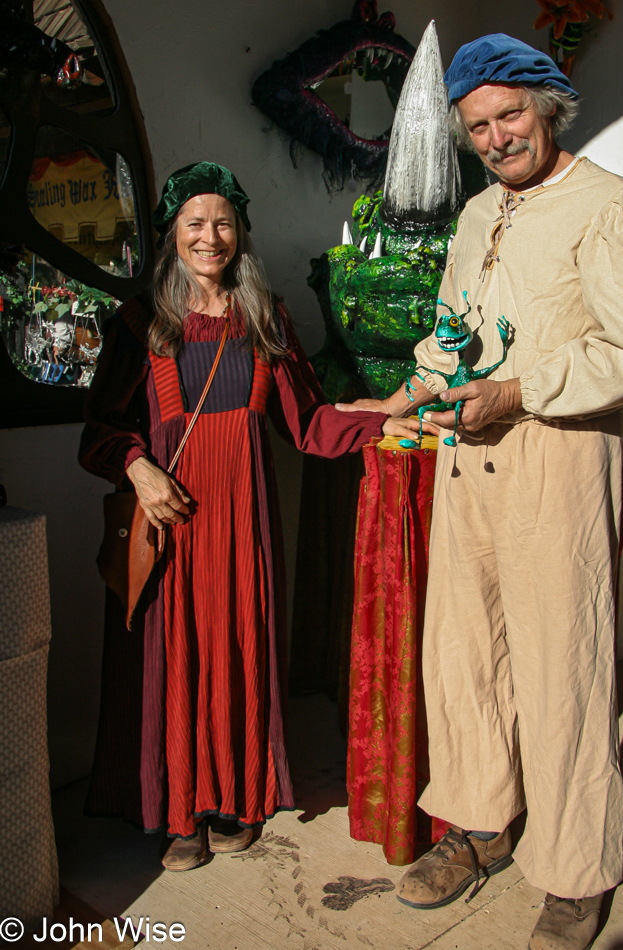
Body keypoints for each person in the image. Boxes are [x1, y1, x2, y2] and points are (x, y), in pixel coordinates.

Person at [337, 34, 623, 950]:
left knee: (561, 663)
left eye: (509, 116)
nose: (494, 138)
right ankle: (480, 826)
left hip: (556, 460)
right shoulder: (480, 213)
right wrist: (399, 397)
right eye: (477, 126)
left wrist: (518, 391)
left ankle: (575, 869)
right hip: (465, 460)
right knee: (464, 653)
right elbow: (451, 336)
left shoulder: (607, 207)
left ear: (548, 108)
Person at [79, 162, 424, 872]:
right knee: (176, 658)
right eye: (195, 224)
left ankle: (235, 796)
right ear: (171, 233)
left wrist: (385, 415)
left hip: (244, 519)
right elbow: (98, 434)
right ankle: (180, 812)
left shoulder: (264, 315)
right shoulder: (139, 322)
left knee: (238, 646)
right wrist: (140, 469)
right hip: (171, 522)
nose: (211, 238)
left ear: (240, 231)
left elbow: (306, 424)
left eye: (223, 222)